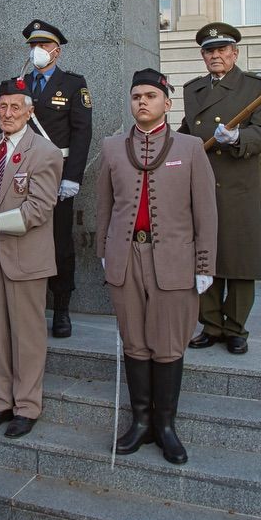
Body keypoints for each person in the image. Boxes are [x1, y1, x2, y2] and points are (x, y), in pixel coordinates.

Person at [97, 70, 218, 464]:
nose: (142, 102)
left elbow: (206, 212)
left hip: (174, 260)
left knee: (167, 343)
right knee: (134, 339)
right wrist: (105, 251)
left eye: (151, 95)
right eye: (136, 96)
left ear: (167, 102)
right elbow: (104, 207)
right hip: (126, 257)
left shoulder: (191, 146)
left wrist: (204, 264)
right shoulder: (113, 148)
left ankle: (166, 425)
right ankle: (141, 421)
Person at [0, 81, 62, 439]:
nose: (7, 114)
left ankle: (26, 406)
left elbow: (40, 208)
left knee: (26, 335)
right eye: (2, 107)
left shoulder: (45, 152)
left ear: (30, 112)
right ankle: (0, 402)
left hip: (26, 256)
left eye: (15, 108)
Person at [180, 22, 261, 355]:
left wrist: (238, 137)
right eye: (209, 51)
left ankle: (235, 327)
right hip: (203, 183)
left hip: (237, 185)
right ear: (203, 56)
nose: (215, 56)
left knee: (238, 257)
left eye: (222, 50)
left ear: (235, 53)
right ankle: (210, 324)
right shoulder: (193, 90)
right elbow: (187, 132)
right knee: (205, 253)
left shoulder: (257, 87)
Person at [22, 19, 92, 337]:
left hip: (58, 173)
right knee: (25, 239)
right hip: (23, 173)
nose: (36, 51)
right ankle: (31, 306)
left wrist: (72, 176)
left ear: (56, 51)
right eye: (32, 46)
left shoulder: (73, 84)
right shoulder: (19, 84)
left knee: (59, 242)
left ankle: (61, 309)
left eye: (43, 46)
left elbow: (81, 133)